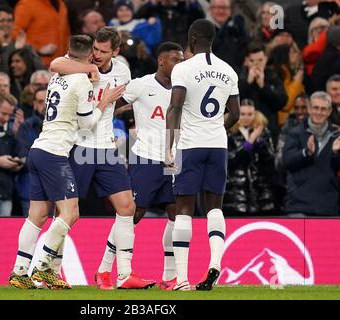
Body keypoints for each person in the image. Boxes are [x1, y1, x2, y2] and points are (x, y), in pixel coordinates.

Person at [8, 35, 125, 289]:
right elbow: (86, 123)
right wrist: (104, 102)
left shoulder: (56, 77)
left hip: (38, 149)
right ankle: (42, 266)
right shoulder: (82, 81)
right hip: (54, 153)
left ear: (68, 52)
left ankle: (19, 271)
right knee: (71, 213)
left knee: (37, 215)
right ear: (88, 55)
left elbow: (59, 64)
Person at [49, 27, 155, 290]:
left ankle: (124, 274)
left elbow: (118, 103)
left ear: (115, 52)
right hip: (78, 146)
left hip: (106, 148)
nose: (96, 55)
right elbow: (54, 63)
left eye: (102, 51)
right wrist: (86, 71)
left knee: (127, 207)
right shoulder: (77, 63)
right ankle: (51, 271)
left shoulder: (122, 71)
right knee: (65, 212)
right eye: (95, 48)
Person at [96, 42, 184, 291]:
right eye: (175, 60)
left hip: (174, 160)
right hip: (146, 158)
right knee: (132, 215)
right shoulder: (141, 84)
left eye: (181, 60)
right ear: (161, 61)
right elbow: (112, 104)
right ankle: (104, 270)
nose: (179, 64)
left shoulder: (184, 88)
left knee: (177, 214)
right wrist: (100, 124)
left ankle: (170, 276)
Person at [165, 19, 240, 291]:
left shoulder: (183, 69)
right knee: (215, 207)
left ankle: (182, 279)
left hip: (190, 144)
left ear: (192, 38)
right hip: (218, 145)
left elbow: (174, 108)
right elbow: (237, 114)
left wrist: (168, 146)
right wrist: (217, 128)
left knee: (184, 208)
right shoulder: (228, 70)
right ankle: (216, 262)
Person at [283, 91, 340, 216]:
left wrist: (336, 154)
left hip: (328, 206)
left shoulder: (337, 136)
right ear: (309, 108)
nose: (319, 112)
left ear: (329, 111)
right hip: (298, 205)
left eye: (323, 109)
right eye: (315, 108)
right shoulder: (295, 133)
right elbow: (287, 161)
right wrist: (306, 152)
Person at [223, 99, 276, 216]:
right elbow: (228, 161)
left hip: (261, 194)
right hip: (235, 194)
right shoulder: (227, 133)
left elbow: (271, 160)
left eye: (250, 114)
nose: (246, 118)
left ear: (255, 114)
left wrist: (260, 143)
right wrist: (249, 143)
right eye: (242, 114)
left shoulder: (263, 132)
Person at [15, 86, 47, 216]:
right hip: (31, 191)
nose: (45, 105)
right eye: (40, 102)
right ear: (34, 104)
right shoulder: (26, 127)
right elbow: (24, 158)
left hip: (58, 192)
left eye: (48, 100)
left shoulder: (66, 126)